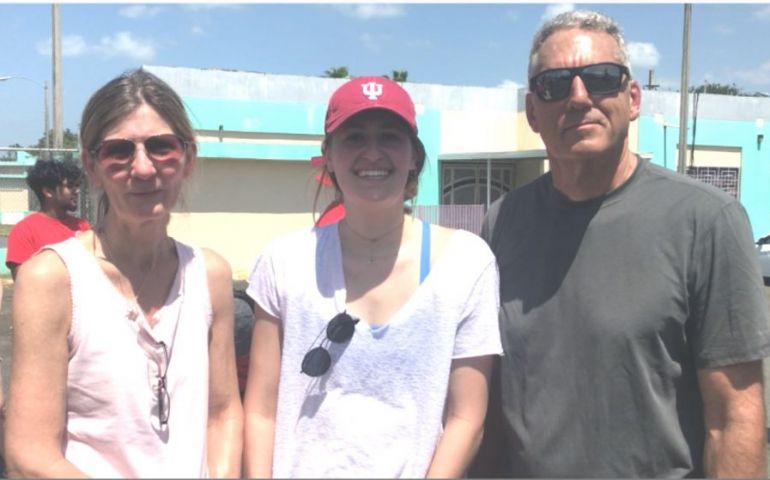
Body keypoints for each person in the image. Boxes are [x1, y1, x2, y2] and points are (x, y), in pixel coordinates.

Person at [474, 9, 770, 478]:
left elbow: (734, 417)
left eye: (601, 79)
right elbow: (489, 402)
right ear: (532, 112)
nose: (578, 97)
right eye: (554, 85)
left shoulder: (706, 221)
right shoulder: (503, 223)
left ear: (632, 98)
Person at [243, 76, 502, 478]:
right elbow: (261, 409)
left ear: (414, 156)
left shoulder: (466, 262)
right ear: (328, 156)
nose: (373, 153)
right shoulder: (283, 262)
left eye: (390, 137)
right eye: (354, 138)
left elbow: (466, 418)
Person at [4, 68, 243, 477]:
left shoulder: (209, 275)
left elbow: (223, 414)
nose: (144, 168)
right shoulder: (54, 279)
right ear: (91, 166)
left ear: (188, 159)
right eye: (119, 151)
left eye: (162, 147)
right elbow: (29, 453)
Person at [5, 159, 90, 279]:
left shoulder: (83, 226)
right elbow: (23, 281)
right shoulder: (23, 231)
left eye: (76, 186)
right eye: (69, 186)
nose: (77, 191)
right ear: (48, 192)